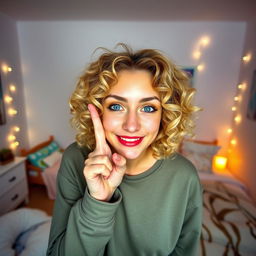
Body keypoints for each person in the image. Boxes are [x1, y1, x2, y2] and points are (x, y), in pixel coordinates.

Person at [46, 44, 202, 256]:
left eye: (148, 108)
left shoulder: (184, 176)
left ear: (165, 115)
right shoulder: (75, 158)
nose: (131, 125)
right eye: (116, 106)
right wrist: (97, 201)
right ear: (98, 110)